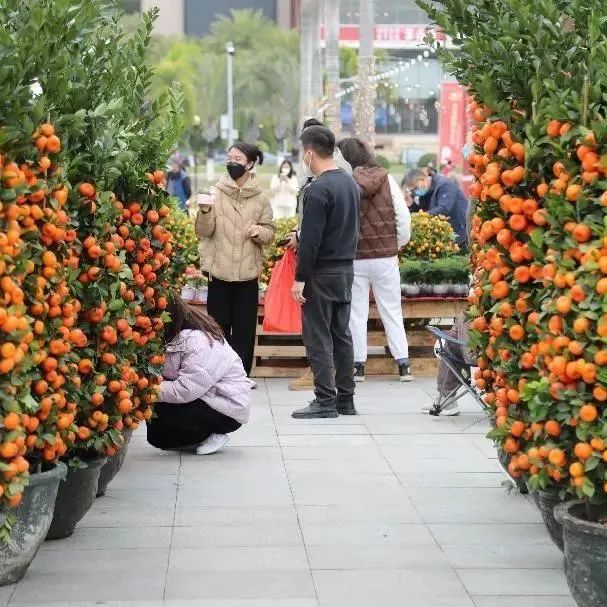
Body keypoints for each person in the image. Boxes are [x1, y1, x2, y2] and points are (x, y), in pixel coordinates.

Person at [290, 126, 361, 419]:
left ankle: (325, 401)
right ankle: (346, 400)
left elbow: (311, 240)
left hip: (321, 273)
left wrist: (299, 279)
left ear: (309, 152)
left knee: (318, 335)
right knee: (341, 335)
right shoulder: (349, 184)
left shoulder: (318, 189)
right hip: (345, 270)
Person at [196, 142, 275, 378]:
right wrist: (205, 212)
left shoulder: (261, 198)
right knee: (216, 328)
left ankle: (240, 376)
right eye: (229, 157)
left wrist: (258, 232)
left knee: (244, 330)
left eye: (237, 159)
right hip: (218, 273)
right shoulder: (215, 192)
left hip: (247, 275)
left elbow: (270, 233)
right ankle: (218, 375)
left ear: (250, 164)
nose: (232, 163)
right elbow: (203, 232)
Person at [337, 137, 413, 383]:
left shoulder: (344, 182)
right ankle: (403, 363)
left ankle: (358, 365)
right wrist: (397, 244)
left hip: (355, 258)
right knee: (391, 309)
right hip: (385, 257)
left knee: (356, 312)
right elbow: (403, 217)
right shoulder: (387, 179)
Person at [147, 296, 251, 455]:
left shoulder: (198, 341)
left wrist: (145, 390)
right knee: (157, 431)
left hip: (226, 409)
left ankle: (213, 433)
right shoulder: (176, 335)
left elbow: (185, 389)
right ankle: (194, 435)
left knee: (160, 416)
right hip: (207, 397)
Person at [404, 168, 468, 249]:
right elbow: (425, 211)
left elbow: (443, 209)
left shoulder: (445, 185)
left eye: (415, 188)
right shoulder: (427, 191)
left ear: (422, 179)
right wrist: (412, 204)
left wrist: (417, 216)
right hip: (446, 236)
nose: (415, 191)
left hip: (460, 233)